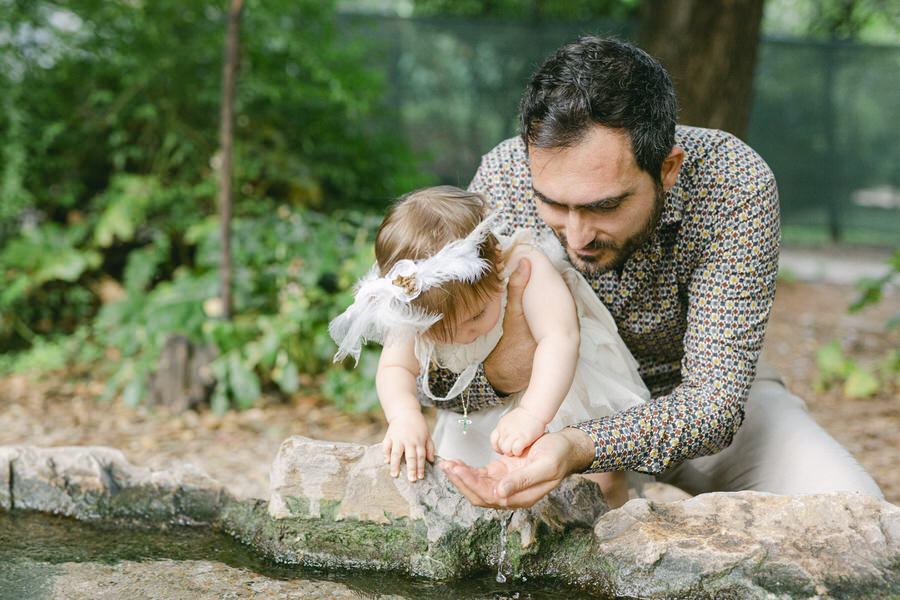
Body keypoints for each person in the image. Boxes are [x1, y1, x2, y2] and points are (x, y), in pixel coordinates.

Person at [435, 36, 884, 508]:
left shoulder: (733, 184)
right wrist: (499, 377)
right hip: (536, 411)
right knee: (462, 514)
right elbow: (438, 391)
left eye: (604, 206)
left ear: (667, 168)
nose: (577, 234)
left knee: (855, 507)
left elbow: (715, 405)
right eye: (552, 204)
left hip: (689, 402)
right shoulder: (504, 177)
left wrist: (580, 446)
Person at [329, 185, 650, 507]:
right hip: (481, 399)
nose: (463, 336)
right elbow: (396, 366)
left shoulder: (523, 263)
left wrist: (532, 413)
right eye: (437, 332)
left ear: (496, 263)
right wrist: (403, 416)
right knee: (467, 477)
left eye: (477, 316)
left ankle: (613, 532)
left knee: (595, 481)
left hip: (559, 385)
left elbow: (560, 337)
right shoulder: (415, 299)